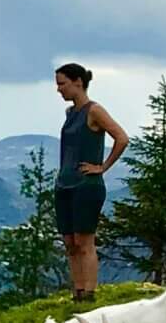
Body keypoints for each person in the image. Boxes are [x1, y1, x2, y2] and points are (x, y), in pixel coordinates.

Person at [53, 62, 128, 304]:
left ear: (77, 82)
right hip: (65, 183)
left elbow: (121, 137)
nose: (59, 90)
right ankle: (76, 291)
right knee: (69, 241)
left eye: (62, 84)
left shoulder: (94, 111)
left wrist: (102, 167)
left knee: (85, 240)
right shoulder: (70, 113)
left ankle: (89, 292)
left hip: (87, 184)